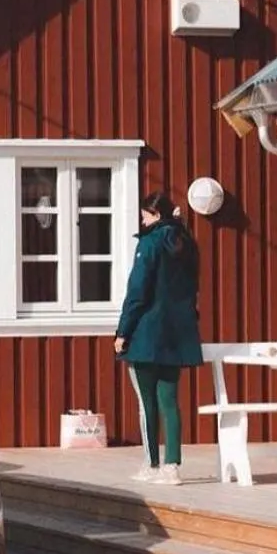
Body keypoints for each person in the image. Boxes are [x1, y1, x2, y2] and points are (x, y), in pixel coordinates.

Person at [114, 190, 203, 486]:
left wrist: (123, 331)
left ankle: (151, 464)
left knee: (146, 402)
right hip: (178, 334)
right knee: (170, 401)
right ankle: (172, 466)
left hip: (146, 335)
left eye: (143, 215)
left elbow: (137, 291)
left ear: (154, 215)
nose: (142, 220)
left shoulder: (149, 244)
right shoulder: (187, 244)